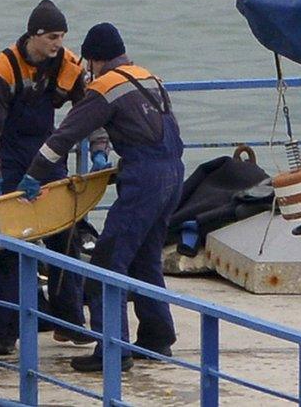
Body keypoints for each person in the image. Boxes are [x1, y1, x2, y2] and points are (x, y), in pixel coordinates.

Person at [17, 22, 184, 373]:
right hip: (173, 172)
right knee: (144, 259)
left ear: (93, 60)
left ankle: (112, 350)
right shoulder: (149, 77)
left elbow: (64, 135)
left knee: (107, 264)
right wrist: (102, 151)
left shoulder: (105, 86)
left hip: (144, 179)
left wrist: (34, 174)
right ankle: (157, 338)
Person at [0, 0, 104, 355]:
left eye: (62, 36)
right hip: (8, 160)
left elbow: (92, 107)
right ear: (33, 35)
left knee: (64, 241)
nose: (58, 44)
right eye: (52, 36)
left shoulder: (67, 65)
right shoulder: (3, 67)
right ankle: (5, 332)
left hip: (49, 161)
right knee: (4, 249)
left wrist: (99, 148)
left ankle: (70, 324)